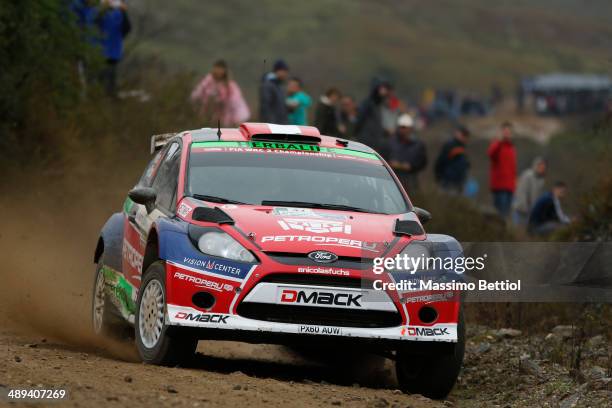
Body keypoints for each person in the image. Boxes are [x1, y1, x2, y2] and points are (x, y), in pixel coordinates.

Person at [190, 60, 250, 127]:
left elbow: (236, 103)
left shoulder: (230, 86)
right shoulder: (207, 82)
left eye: (221, 69)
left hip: (228, 117)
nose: (218, 71)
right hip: (210, 116)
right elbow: (196, 94)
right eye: (217, 68)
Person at [96, 0, 131, 96]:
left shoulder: (120, 13)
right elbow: (95, 22)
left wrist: (123, 11)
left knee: (111, 78)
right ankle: (99, 96)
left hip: (113, 51)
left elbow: (127, 28)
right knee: (100, 76)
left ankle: (110, 97)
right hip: (100, 51)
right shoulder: (101, 12)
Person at [388, 114, 427, 192]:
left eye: (405, 127)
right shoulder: (390, 142)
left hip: (411, 181)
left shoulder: (418, 145)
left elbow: (423, 162)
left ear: (410, 128)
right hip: (392, 179)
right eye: (401, 127)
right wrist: (390, 163)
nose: (403, 130)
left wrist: (412, 166)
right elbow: (384, 156)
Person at [355, 80, 392, 157]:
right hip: (365, 142)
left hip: (375, 143)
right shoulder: (368, 103)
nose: (385, 92)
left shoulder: (379, 105)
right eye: (383, 89)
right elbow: (359, 120)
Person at [487, 121, 517, 217]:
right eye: (505, 131)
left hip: (510, 187)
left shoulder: (512, 148)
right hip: (499, 187)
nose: (507, 134)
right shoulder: (497, 145)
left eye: (509, 132)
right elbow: (490, 154)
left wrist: (514, 184)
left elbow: (513, 168)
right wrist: (499, 141)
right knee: (500, 215)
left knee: (506, 215)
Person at [434, 125, 471, 194]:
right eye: (463, 134)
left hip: (459, 181)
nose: (464, 137)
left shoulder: (463, 147)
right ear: (457, 133)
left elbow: (464, 164)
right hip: (448, 181)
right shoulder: (450, 145)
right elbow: (440, 161)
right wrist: (439, 177)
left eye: (466, 135)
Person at [512, 157, 547, 226]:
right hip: (521, 208)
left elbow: (537, 197)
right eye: (540, 166)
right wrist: (523, 207)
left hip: (530, 210)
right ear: (535, 166)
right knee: (519, 229)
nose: (542, 169)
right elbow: (521, 192)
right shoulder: (527, 175)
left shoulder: (541, 180)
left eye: (543, 167)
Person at [259, 59, 290, 123]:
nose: (286, 75)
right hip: (273, 127)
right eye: (285, 71)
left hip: (280, 125)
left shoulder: (278, 85)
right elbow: (265, 106)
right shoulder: (268, 85)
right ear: (279, 70)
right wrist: (270, 125)